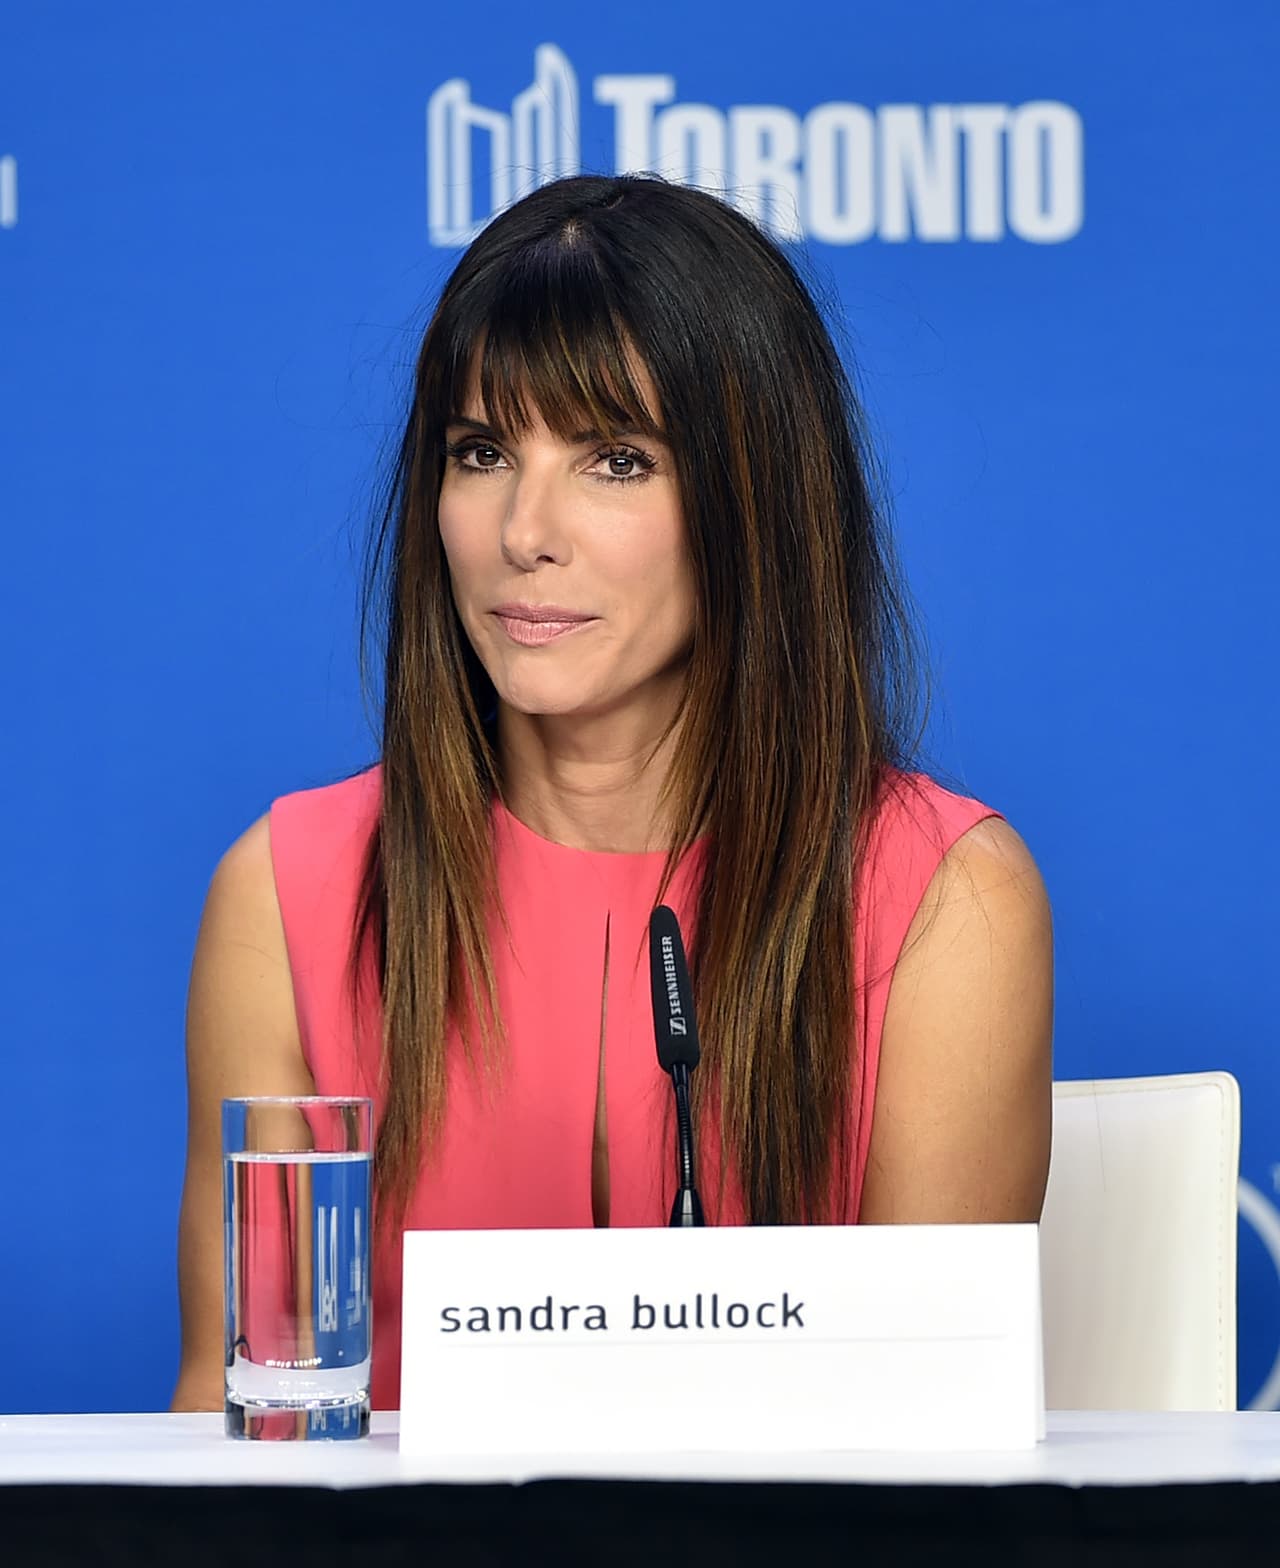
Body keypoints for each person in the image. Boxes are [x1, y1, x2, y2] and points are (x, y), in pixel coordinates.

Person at [171, 173, 1053, 1414]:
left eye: (615, 459)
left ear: (754, 501)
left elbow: (936, 1445)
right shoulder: (286, 892)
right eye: (480, 452)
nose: (523, 530)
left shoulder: (943, 897)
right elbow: (235, 1432)